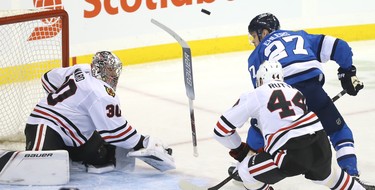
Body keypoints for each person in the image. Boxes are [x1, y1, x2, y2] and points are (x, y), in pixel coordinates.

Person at [245, 13, 365, 179]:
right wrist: (347, 72)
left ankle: (245, 164)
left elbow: (262, 94)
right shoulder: (301, 35)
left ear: (264, 32)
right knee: (338, 130)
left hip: (285, 96)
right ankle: (351, 173)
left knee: (258, 127)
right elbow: (340, 46)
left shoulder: (256, 55)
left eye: (254, 37)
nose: (254, 42)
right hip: (313, 91)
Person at [214, 60, 365, 190]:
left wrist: (241, 151)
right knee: (330, 177)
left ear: (260, 79)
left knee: (245, 171)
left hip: (290, 152)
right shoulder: (296, 92)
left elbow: (221, 130)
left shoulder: (255, 94)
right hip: (319, 141)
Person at [24, 51, 175, 173]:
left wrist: (70, 103)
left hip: (77, 135)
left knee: (103, 157)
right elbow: (116, 132)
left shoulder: (81, 68)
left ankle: (70, 154)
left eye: (115, 70)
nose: (114, 75)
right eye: (110, 70)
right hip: (47, 125)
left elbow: (47, 79)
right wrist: (142, 142)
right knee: (39, 167)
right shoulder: (102, 93)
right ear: (99, 68)